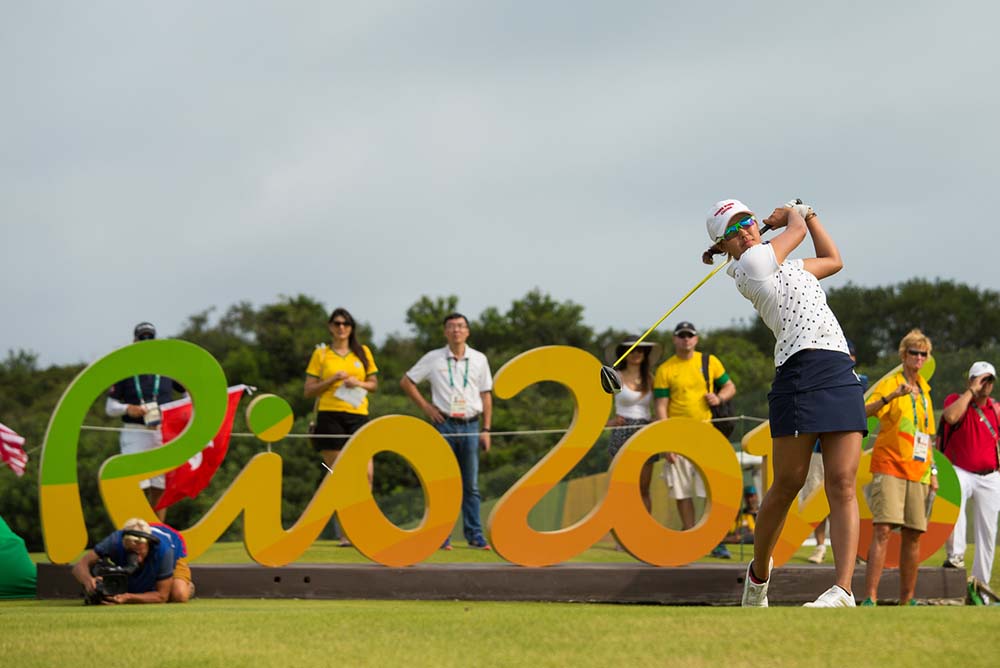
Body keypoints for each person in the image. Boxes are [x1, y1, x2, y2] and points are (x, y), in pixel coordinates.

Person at [704, 198, 866, 607]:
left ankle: (844, 590)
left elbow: (833, 260)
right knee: (787, 483)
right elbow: (792, 234)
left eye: (747, 221)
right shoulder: (748, 267)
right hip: (798, 369)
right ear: (724, 247)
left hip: (837, 367)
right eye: (733, 231)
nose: (744, 231)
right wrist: (793, 213)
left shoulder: (788, 266)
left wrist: (809, 214)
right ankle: (758, 577)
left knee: (843, 482)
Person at [400, 313, 493, 550]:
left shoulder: (479, 359)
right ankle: (441, 535)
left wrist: (486, 429)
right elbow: (407, 381)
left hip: (472, 424)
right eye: (451, 327)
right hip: (444, 423)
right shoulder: (433, 358)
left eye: (461, 326)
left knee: (470, 485)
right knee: (443, 483)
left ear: (468, 331)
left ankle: (475, 534)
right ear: (445, 332)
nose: (456, 331)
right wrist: (426, 407)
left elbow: (486, 394)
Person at [859, 329, 937, 606]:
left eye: (923, 353)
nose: (918, 357)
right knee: (882, 530)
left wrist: (934, 472)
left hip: (919, 471)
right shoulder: (890, 383)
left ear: (927, 358)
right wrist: (891, 396)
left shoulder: (926, 392)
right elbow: (863, 411)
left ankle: (908, 600)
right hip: (889, 465)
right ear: (903, 355)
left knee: (914, 534)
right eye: (913, 352)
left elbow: (926, 436)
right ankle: (870, 597)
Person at [653, 321, 737, 559]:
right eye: (681, 336)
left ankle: (715, 539)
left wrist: (719, 398)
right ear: (674, 339)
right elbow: (660, 407)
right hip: (678, 435)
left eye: (690, 335)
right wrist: (665, 441)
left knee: (712, 488)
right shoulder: (665, 369)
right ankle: (691, 536)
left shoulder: (709, 361)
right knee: (682, 490)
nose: (686, 339)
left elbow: (730, 386)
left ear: (696, 339)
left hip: (708, 433)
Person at [304, 307, 379, 546]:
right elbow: (308, 390)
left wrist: (358, 382)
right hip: (330, 416)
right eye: (337, 323)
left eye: (346, 323)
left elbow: (374, 384)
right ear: (330, 326)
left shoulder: (363, 352)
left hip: (358, 415)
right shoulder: (322, 354)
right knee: (340, 474)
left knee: (366, 473)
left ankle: (364, 525)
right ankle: (346, 532)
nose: (341, 328)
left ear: (351, 327)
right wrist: (332, 380)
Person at [105, 322, 184, 521]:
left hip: (162, 431)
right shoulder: (125, 369)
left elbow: (188, 396)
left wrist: (176, 413)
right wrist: (127, 409)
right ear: (135, 341)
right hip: (135, 431)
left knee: (160, 485)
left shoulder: (167, 369)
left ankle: (157, 530)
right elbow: (110, 407)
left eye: (150, 338)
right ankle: (140, 529)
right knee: (137, 483)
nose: (146, 342)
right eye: (142, 338)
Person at [801, 339, 868, 564]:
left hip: (846, 449)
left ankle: (853, 551)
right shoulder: (820, 376)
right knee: (814, 499)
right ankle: (820, 546)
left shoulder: (862, 381)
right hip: (818, 450)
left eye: (850, 354)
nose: (846, 358)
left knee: (845, 497)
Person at [939, 360, 1000, 590]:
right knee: (955, 497)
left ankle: (980, 585)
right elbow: (951, 418)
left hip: (990, 476)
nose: (986, 385)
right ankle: (956, 556)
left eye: (989, 380)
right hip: (961, 470)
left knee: (987, 532)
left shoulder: (995, 409)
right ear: (971, 380)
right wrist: (971, 392)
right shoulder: (956, 400)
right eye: (981, 379)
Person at [71, 517, 193, 604]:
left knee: (178, 595)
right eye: (131, 550)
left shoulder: (164, 551)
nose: (137, 558)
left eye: (140, 551)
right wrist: (89, 582)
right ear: (123, 543)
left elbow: (162, 597)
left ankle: (189, 587)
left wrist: (128, 597)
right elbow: (79, 566)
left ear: (148, 545)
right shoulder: (114, 541)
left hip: (175, 557)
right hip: (131, 568)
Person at [604, 335, 662, 513]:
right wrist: (610, 422)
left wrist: (656, 419)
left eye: (641, 350)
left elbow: (661, 403)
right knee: (620, 488)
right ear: (624, 353)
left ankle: (644, 537)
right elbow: (594, 404)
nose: (636, 353)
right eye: (632, 349)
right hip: (622, 431)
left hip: (645, 431)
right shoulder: (615, 377)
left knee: (643, 488)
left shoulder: (651, 379)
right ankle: (621, 538)